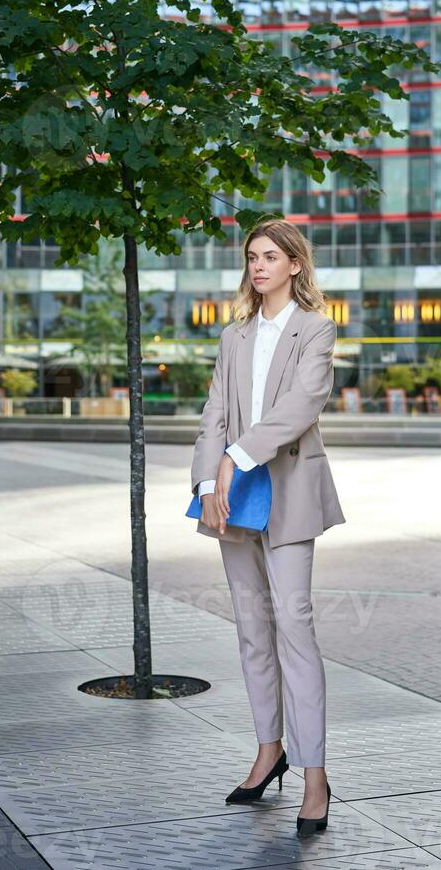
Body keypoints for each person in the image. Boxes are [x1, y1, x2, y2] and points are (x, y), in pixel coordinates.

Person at [189, 219, 346, 837]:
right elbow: (214, 410)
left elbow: (302, 406)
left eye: (271, 257)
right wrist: (207, 482)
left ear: (295, 266)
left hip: (286, 490)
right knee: (253, 630)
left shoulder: (316, 330)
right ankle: (268, 750)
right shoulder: (234, 335)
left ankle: (315, 777)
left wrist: (236, 456)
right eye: (252, 257)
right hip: (230, 497)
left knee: (294, 629)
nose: (259, 266)